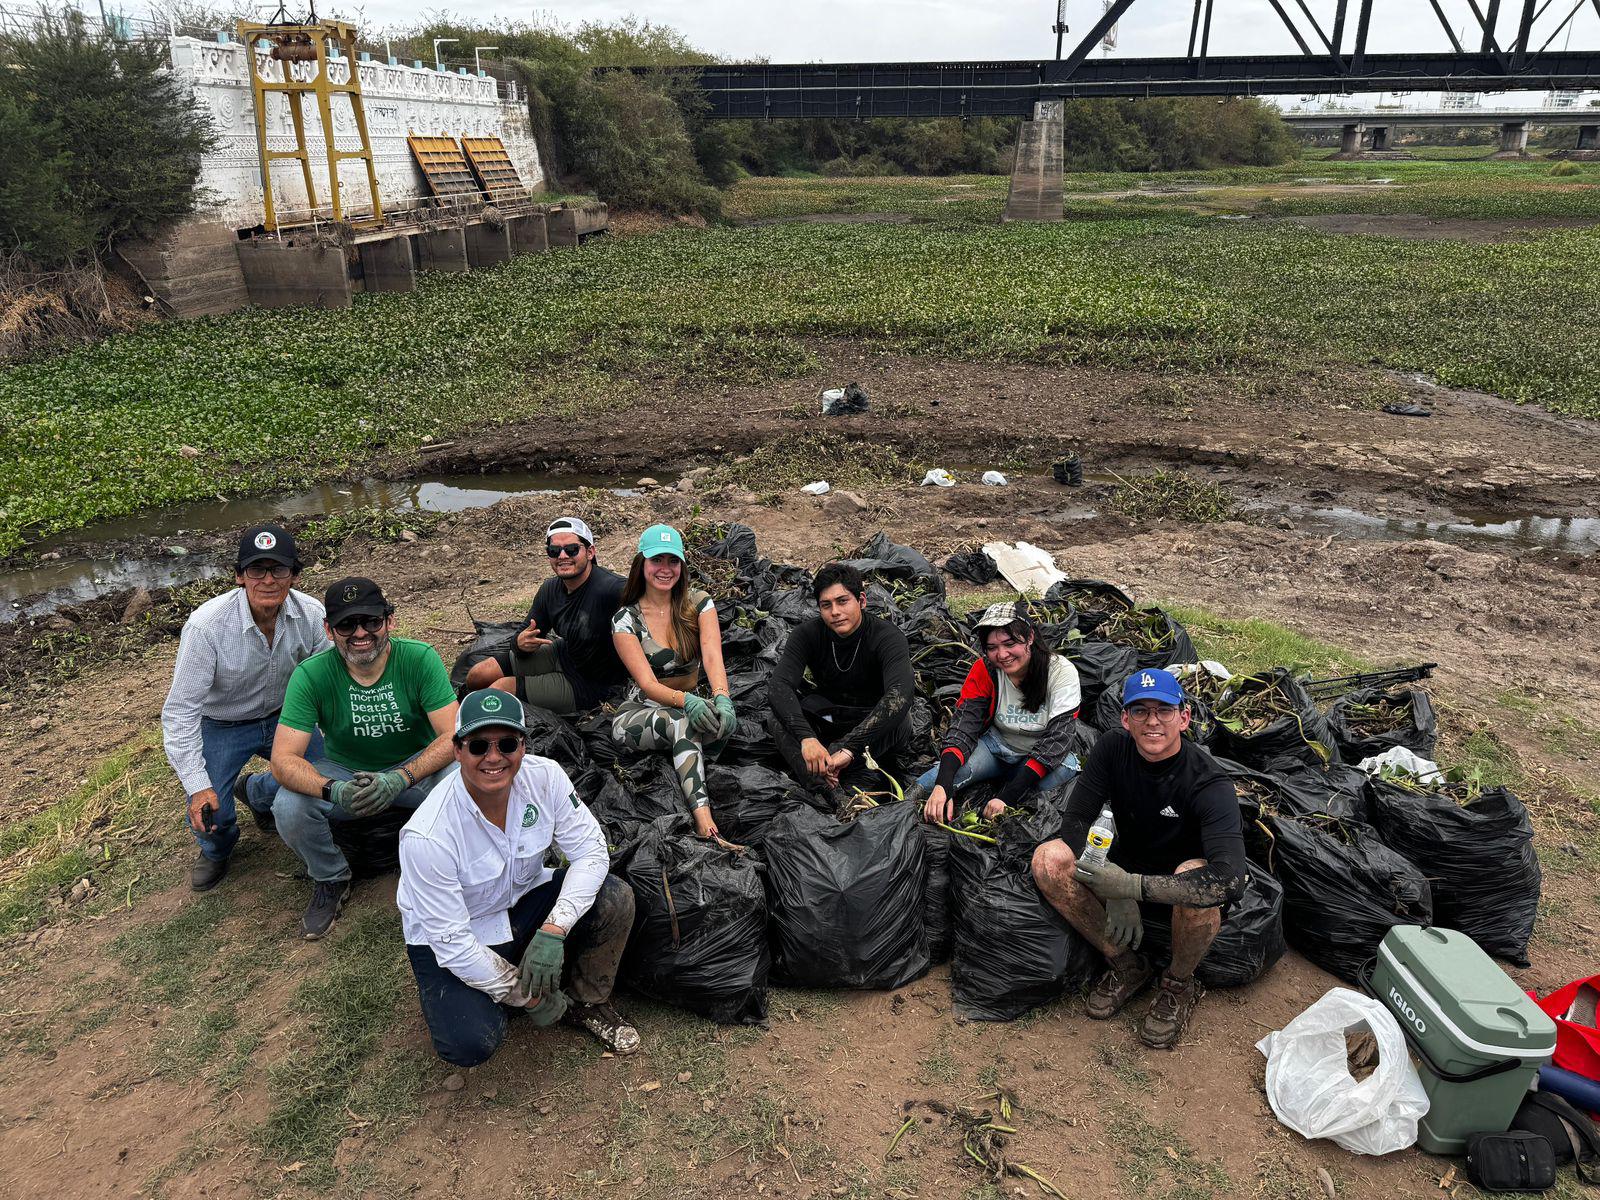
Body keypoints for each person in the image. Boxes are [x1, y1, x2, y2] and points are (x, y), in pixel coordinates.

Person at [397, 689, 639, 1066]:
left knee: (614, 898)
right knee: (469, 1042)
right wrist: (527, 996)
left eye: (507, 744)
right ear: (457, 750)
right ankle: (520, 988)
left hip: (521, 900)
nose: (494, 757)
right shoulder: (428, 836)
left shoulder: (546, 779)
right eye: (479, 746)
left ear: (524, 746)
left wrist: (555, 929)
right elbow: (453, 943)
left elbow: (591, 851)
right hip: (458, 934)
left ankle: (586, 1002)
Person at [1031, 668, 1248, 1050]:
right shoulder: (1113, 748)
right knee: (1048, 859)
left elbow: (1230, 879)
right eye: (1141, 711)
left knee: (1195, 878)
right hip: (1123, 869)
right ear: (1125, 719)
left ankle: (1178, 984)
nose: (1152, 721)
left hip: (1176, 887)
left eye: (1164, 710)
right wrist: (1112, 882)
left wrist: (1131, 887)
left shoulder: (1208, 782)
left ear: (1184, 718)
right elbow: (1076, 820)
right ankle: (1127, 964)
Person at [271, 577, 459, 939]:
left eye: (371, 621)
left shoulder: (419, 658)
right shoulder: (310, 674)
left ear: (389, 621)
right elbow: (283, 759)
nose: (360, 633)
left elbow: (453, 736)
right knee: (288, 805)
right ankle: (331, 876)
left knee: (461, 776)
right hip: (346, 773)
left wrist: (401, 777)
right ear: (329, 630)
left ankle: (448, 865)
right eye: (347, 624)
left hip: (414, 769)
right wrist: (334, 789)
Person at [161, 523, 329, 892]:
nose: (268, 580)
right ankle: (217, 850)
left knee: (328, 776)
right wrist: (198, 785)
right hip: (222, 723)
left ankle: (256, 791)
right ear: (240, 576)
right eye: (257, 570)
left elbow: (328, 678)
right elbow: (181, 712)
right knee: (213, 813)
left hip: (286, 717)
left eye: (279, 569)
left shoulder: (312, 615)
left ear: (294, 575)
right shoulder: (206, 627)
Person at [610, 524, 736, 839]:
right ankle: (704, 822)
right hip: (639, 712)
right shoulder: (625, 620)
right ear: (642, 564)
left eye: (673, 561)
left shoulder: (699, 604)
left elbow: (712, 657)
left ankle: (688, 759)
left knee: (722, 723)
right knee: (684, 723)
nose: (665, 569)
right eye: (657, 560)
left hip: (687, 703)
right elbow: (648, 684)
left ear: (682, 565)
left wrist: (722, 697)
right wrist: (688, 701)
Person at [914, 602, 1082, 824]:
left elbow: (1057, 739)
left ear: (1030, 637)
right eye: (992, 647)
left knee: (1059, 778)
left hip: (1040, 757)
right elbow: (964, 727)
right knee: (934, 782)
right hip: (996, 747)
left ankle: (1011, 785)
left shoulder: (1061, 672)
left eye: (1010, 643)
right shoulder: (985, 670)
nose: (1002, 655)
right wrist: (943, 785)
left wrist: (1007, 797)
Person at [766, 562, 915, 804]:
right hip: (830, 717)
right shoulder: (806, 634)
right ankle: (827, 788)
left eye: (842, 601)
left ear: (861, 601)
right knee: (777, 717)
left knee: (902, 719)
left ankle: (825, 769)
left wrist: (849, 748)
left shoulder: (887, 637)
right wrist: (806, 738)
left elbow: (900, 694)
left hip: (872, 724)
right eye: (826, 605)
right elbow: (779, 686)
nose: (835, 612)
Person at [461, 516, 626, 714]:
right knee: (478, 674)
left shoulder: (612, 589)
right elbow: (524, 634)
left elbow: (650, 612)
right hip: (564, 654)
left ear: (590, 552)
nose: (562, 556)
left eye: (572, 549)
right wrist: (520, 644)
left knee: (499, 690)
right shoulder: (550, 589)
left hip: (590, 684)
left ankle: (479, 724)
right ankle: (465, 714)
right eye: (554, 550)